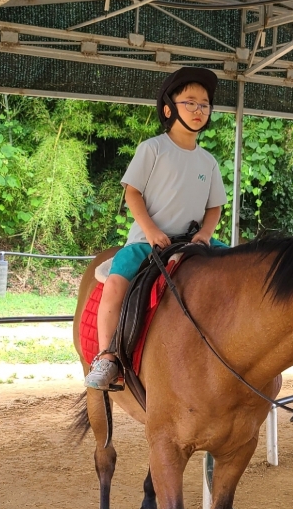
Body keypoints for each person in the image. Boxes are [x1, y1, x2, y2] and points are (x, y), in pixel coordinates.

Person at [85, 66, 228, 390]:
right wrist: (150, 232)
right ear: (168, 109)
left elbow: (214, 206)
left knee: (240, 267)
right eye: (189, 102)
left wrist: (205, 235)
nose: (198, 109)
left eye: (204, 104)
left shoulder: (208, 161)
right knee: (116, 282)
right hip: (148, 242)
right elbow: (132, 192)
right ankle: (107, 357)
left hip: (192, 242)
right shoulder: (152, 149)